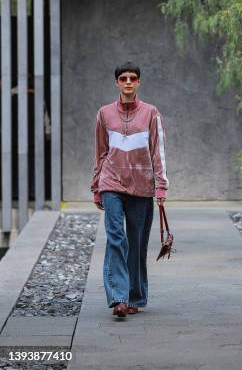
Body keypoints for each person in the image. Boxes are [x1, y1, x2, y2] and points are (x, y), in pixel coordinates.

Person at [90, 62, 169, 317]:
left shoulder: (151, 113)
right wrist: (96, 186)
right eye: (123, 78)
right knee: (116, 238)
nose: (127, 82)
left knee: (136, 242)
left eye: (132, 78)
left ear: (138, 83)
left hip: (142, 186)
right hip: (111, 182)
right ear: (116, 82)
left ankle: (135, 296)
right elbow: (100, 152)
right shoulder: (104, 113)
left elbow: (158, 151)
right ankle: (118, 298)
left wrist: (161, 186)